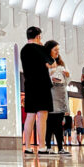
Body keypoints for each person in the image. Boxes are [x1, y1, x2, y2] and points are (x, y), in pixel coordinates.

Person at [20, 26, 53, 155]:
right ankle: (42, 146)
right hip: (42, 85)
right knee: (42, 116)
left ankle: (27, 146)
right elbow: (51, 62)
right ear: (38, 36)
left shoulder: (24, 49)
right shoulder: (40, 48)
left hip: (29, 85)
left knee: (30, 115)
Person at [44, 39, 70, 154]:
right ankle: (48, 147)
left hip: (60, 97)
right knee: (49, 125)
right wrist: (50, 77)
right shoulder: (44, 62)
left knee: (59, 126)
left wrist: (67, 76)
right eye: (55, 49)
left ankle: (61, 147)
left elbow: (66, 82)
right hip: (49, 97)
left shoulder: (61, 64)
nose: (57, 52)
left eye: (58, 50)